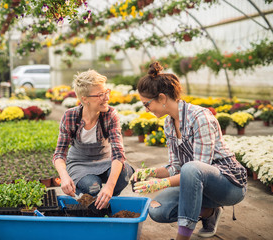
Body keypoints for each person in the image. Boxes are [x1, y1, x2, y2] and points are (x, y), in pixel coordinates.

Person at [131, 62, 247, 240]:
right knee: (158, 210)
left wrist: (162, 183)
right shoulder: (169, 124)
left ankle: (182, 238)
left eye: (147, 104)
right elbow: (176, 166)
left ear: (162, 98)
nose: (146, 109)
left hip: (228, 184)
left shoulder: (200, 118)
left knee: (192, 168)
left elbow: (198, 168)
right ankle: (209, 213)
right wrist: (149, 172)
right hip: (197, 184)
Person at [53, 70, 134, 210]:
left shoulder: (110, 115)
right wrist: (65, 177)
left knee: (124, 173)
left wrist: (109, 187)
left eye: (106, 92)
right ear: (85, 99)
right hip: (80, 164)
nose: (106, 97)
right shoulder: (70, 116)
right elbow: (59, 154)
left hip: (105, 160)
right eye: (100, 95)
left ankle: (104, 202)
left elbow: (118, 154)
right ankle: (91, 202)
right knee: (92, 186)